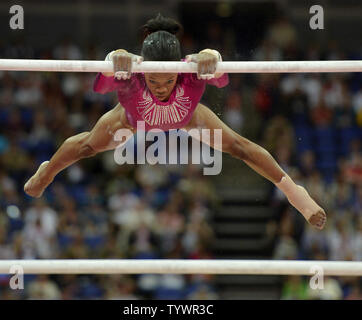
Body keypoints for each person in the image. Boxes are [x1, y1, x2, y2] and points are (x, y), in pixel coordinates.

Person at [24, 14, 326, 229]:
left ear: (179, 70)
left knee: (239, 147)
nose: (160, 87)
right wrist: (112, 61)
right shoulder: (131, 70)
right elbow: (100, 87)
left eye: (168, 80)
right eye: (153, 81)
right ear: (143, 71)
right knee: (87, 146)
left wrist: (212, 56)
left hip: (189, 118)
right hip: (129, 119)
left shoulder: (191, 68)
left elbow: (221, 79)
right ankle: (46, 174)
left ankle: (295, 194)